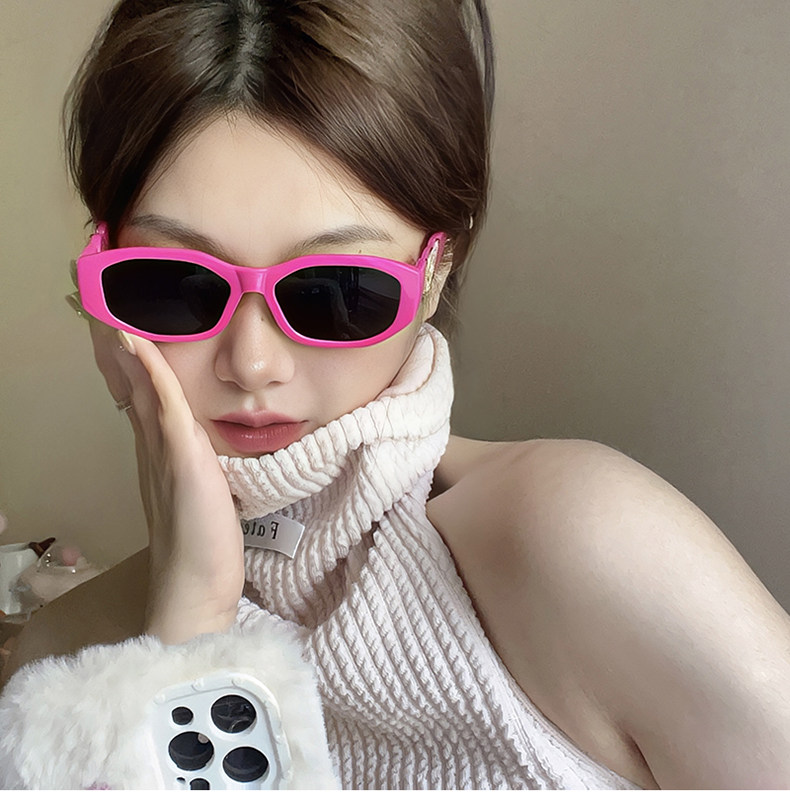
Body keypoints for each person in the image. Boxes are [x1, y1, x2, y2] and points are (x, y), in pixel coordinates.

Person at [2, 0, 790, 790]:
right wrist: (189, 635)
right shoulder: (62, 666)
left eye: (337, 291)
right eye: (172, 285)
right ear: (94, 283)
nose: (252, 363)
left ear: (437, 270)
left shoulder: (585, 543)